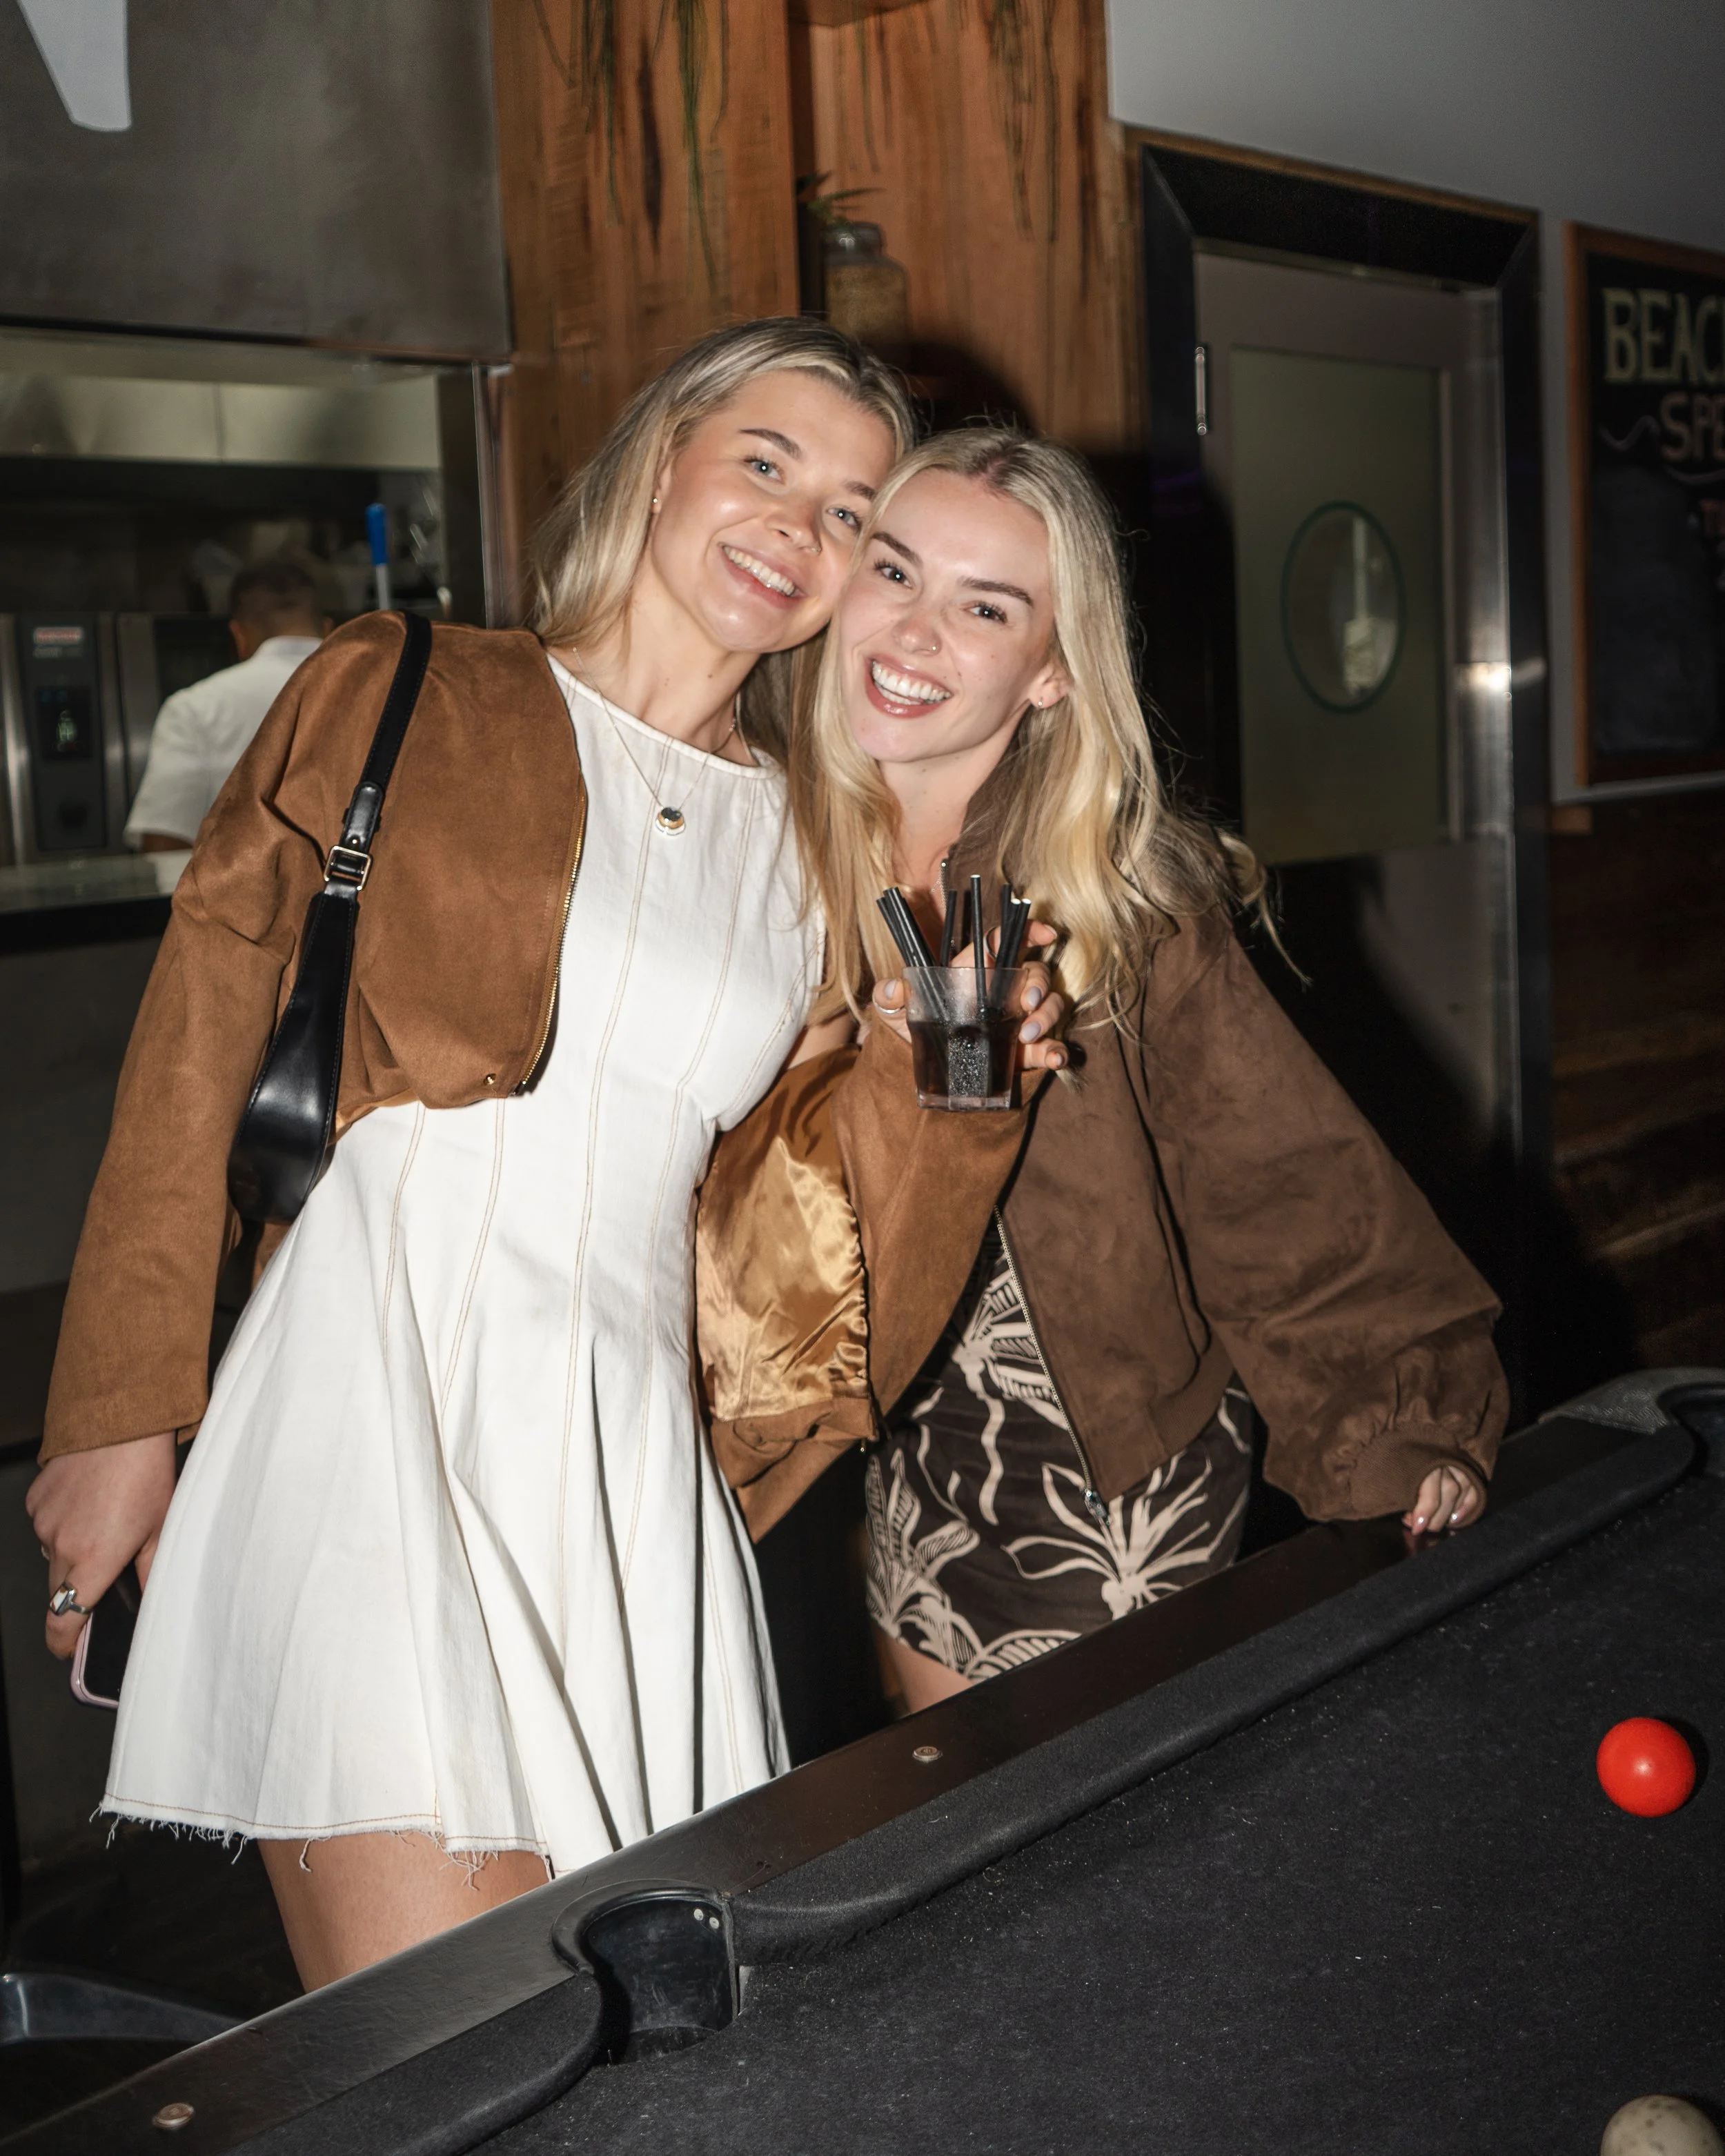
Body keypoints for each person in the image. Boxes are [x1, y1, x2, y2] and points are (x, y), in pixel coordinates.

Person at [26, 320, 989, 1992]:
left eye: (848, 511)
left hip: (621, 1454)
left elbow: (808, 1219)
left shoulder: (814, 839)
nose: (795, 525)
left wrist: (952, 1067)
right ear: (662, 458)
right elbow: (191, 1047)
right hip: (367, 1382)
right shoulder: (407, 684)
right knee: (465, 2024)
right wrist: (120, 1410)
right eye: (764, 462)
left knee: (637, 2038)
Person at [778, 428, 1508, 1713]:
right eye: (894, 572)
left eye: (985, 606)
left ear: (1054, 671)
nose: (914, 631)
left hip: (1087, 1457)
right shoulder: (764, 835)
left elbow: (1278, 1183)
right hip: (881, 1444)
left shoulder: (1115, 892)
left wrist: (1397, 1417)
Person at [124, 559, 330, 851]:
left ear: (239, 635)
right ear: (328, 629)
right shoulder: (384, 691)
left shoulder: (197, 708)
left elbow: (165, 840)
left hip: (244, 895)